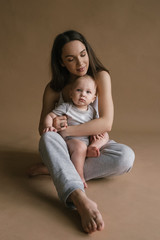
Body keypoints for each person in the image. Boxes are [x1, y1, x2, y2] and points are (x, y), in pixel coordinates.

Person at [28, 30, 135, 233]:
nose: (80, 63)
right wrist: (52, 124)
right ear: (61, 63)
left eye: (83, 54)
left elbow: (106, 123)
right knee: (49, 139)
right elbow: (43, 130)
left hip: (87, 143)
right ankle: (79, 198)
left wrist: (69, 130)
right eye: (71, 59)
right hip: (65, 146)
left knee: (125, 157)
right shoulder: (53, 90)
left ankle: (56, 170)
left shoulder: (100, 77)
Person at [43, 75, 109, 188]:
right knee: (79, 147)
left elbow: (98, 124)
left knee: (105, 135)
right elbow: (50, 115)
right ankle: (79, 176)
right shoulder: (66, 107)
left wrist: (97, 132)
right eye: (79, 90)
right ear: (71, 93)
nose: (83, 94)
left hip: (87, 140)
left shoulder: (92, 111)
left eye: (88, 92)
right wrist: (49, 125)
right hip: (70, 141)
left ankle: (93, 147)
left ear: (93, 98)